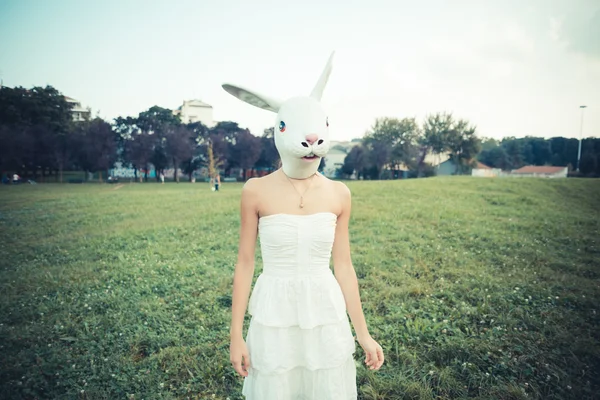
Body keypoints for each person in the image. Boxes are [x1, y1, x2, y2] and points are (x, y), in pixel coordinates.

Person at [226, 52, 383, 399]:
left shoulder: (339, 194)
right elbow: (245, 262)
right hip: (274, 315)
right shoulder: (255, 191)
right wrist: (236, 335)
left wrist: (363, 333)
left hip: (323, 312)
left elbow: (343, 266)